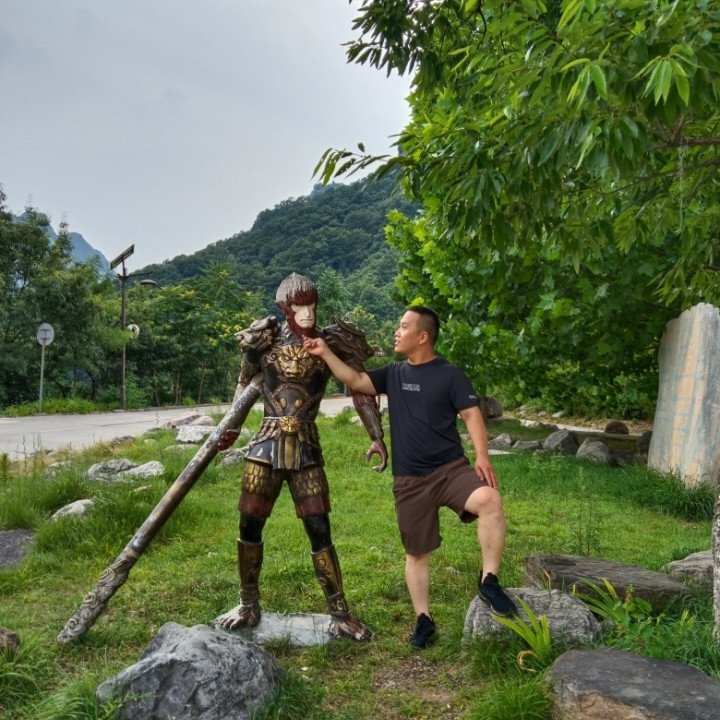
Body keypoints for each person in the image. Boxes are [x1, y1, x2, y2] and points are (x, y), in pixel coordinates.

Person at [303, 305, 517, 648]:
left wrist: (481, 455)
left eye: (403, 326)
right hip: (410, 480)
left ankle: (489, 580)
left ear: (423, 336)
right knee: (416, 553)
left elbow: (471, 414)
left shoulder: (450, 374)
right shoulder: (393, 373)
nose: (397, 331)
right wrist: (325, 351)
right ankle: (424, 619)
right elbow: (356, 380)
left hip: (450, 470)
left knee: (490, 500)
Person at [217, 273, 387, 641]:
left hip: (307, 446)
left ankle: (340, 613)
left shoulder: (332, 343)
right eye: (299, 307)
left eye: (312, 305)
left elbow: (360, 389)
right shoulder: (263, 340)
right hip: (265, 444)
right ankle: (247, 604)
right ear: (285, 309)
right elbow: (244, 385)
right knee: (249, 525)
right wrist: (230, 427)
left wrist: (376, 435)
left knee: (319, 528)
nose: (307, 313)